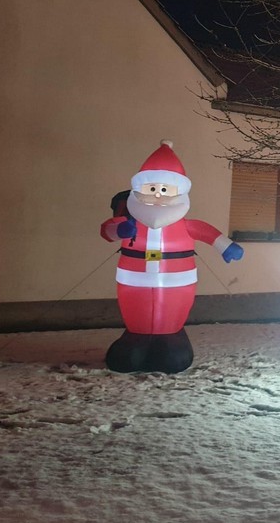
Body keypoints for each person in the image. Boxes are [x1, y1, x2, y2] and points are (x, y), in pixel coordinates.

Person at [100, 140, 243, 373]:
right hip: (134, 284)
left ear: (179, 192)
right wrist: (120, 230)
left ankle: (170, 338)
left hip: (177, 285)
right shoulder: (130, 220)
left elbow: (206, 232)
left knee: (171, 327)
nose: (157, 195)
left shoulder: (186, 225)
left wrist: (226, 246)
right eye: (151, 189)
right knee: (137, 321)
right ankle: (136, 338)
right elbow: (108, 230)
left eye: (165, 190)